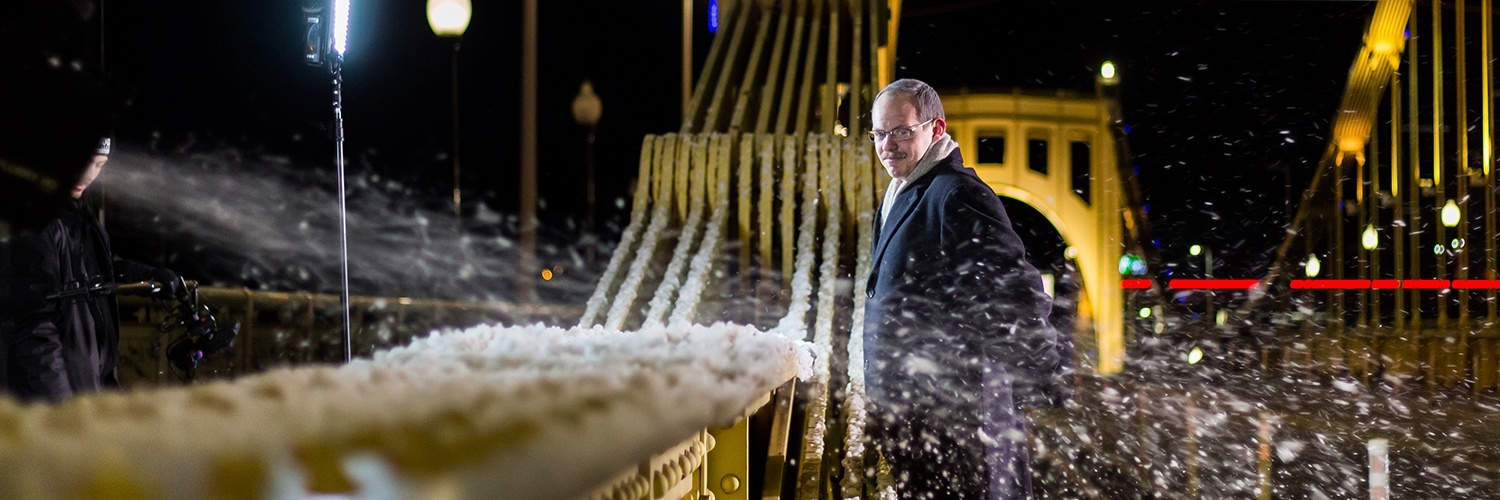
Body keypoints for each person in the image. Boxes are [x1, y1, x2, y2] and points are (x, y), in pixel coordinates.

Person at [863, 78, 1073, 498]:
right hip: (916, 417)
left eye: (902, 131)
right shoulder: (901, 194)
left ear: (936, 129)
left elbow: (1012, 291)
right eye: (879, 134)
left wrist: (1043, 376)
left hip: (956, 420)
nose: (888, 144)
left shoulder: (956, 193)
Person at [0, 137, 179, 402]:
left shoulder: (76, 214)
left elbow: (95, 268)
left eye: (99, 164)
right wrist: (62, 408)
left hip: (86, 385)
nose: (88, 174)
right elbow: (33, 329)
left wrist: (148, 276)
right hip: (54, 401)